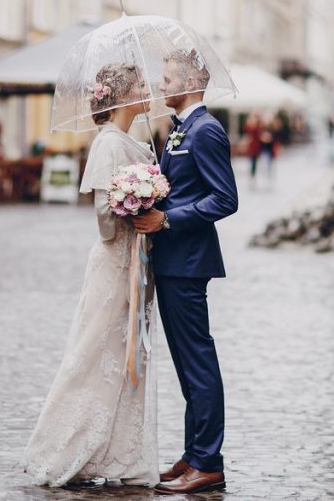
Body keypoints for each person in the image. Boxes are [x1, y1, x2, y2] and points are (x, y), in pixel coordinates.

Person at [22, 63, 159, 488]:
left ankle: (120, 454)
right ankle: (65, 448)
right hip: (114, 264)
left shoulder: (133, 142)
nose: (147, 90)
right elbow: (103, 218)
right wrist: (137, 206)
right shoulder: (108, 144)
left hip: (136, 262)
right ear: (121, 96)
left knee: (126, 359)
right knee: (94, 355)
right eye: (140, 85)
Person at [133, 48, 238, 495]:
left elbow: (225, 199)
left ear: (191, 83)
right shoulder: (180, 130)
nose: (161, 85)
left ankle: (208, 461)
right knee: (186, 362)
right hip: (173, 260)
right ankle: (193, 454)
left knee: (198, 362)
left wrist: (168, 219)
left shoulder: (207, 130)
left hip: (189, 261)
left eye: (168, 77)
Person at [243, 111, 264, 185]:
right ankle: (252, 177)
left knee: (254, 162)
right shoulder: (251, 126)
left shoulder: (258, 126)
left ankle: (253, 176)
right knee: (253, 162)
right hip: (252, 147)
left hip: (256, 146)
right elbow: (246, 130)